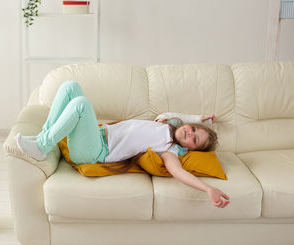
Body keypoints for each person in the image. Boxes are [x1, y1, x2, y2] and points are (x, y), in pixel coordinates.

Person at [15, 81, 230, 208]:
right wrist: (200, 119)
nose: (189, 133)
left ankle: (42, 147)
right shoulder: (166, 124)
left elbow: (179, 173)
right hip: (97, 134)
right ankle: (43, 138)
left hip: (95, 151)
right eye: (192, 129)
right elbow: (174, 116)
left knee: (81, 104)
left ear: (192, 149)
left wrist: (208, 189)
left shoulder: (170, 149)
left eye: (194, 140)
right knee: (71, 87)